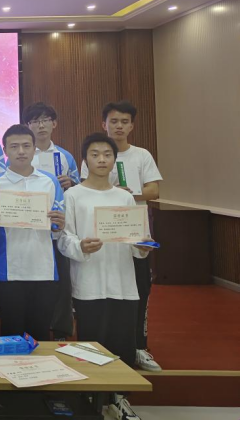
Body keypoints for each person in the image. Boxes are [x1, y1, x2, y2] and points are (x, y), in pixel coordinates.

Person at [59, 133, 154, 421]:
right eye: (95, 154)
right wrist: (80, 246)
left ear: (114, 160)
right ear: (85, 160)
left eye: (107, 154)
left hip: (123, 283)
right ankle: (92, 402)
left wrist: (142, 247)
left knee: (122, 345)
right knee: (91, 346)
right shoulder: (73, 195)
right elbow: (64, 238)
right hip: (89, 283)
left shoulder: (125, 197)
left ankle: (118, 400)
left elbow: (140, 240)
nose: (101, 159)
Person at [81, 100, 163, 372]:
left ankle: (138, 347)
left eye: (124, 122)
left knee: (138, 292)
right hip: (101, 238)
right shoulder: (93, 154)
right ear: (103, 124)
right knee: (102, 297)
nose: (119, 126)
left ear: (131, 126)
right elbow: (86, 188)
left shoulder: (141, 155)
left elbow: (154, 191)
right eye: (113, 121)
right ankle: (98, 351)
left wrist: (128, 195)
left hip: (133, 236)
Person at [0, 124, 65, 342]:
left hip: (45, 269)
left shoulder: (50, 181)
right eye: (14, 146)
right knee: (12, 333)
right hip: (10, 270)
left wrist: (59, 223)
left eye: (26, 146)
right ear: (5, 150)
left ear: (34, 148)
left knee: (40, 334)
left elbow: (57, 226)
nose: (21, 151)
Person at [23, 101, 80, 340]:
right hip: (29, 230)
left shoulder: (65, 156)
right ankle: (30, 328)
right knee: (32, 282)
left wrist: (71, 183)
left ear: (54, 123)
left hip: (58, 228)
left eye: (45, 120)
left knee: (62, 281)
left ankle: (61, 330)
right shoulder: (23, 153)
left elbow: (80, 189)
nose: (41, 125)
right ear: (28, 125)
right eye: (35, 121)